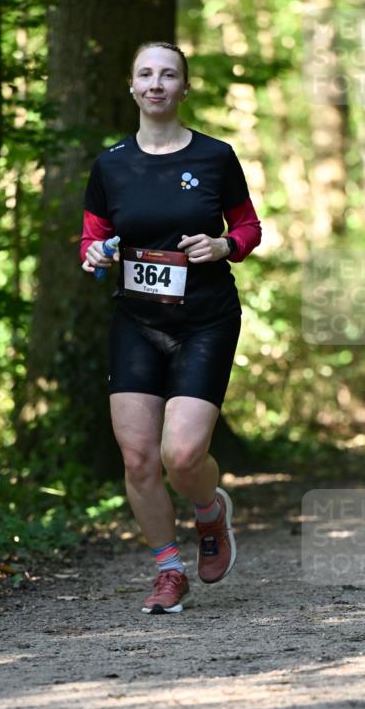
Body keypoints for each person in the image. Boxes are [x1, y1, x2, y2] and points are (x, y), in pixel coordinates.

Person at [79, 41, 262, 614]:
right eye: (145, 74)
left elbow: (249, 227)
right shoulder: (110, 164)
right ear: (131, 86)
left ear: (184, 88)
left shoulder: (215, 157)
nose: (156, 83)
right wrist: (95, 255)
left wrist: (223, 244)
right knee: (137, 458)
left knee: (182, 456)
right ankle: (168, 569)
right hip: (136, 321)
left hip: (205, 319)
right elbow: (91, 238)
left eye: (168, 75)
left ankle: (210, 513)